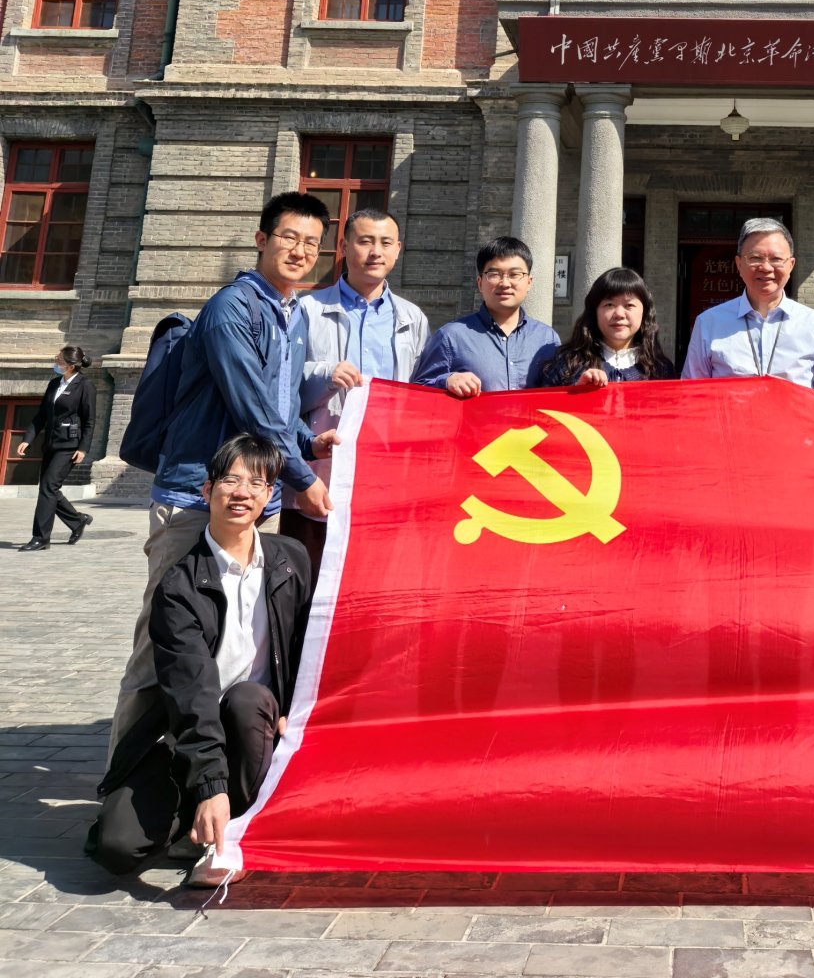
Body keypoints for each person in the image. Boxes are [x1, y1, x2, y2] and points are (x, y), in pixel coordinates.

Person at [106, 193, 336, 763]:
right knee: (162, 640)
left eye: (311, 243)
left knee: (239, 639)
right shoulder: (232, 307)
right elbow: (250, 405)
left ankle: (213, 773)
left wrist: (307, 442)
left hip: (257, 500)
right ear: (261, 240)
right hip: (196, 497)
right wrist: (304, 476)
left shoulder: (290, 314)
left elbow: (279, 407)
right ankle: (123, 777)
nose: (300, 251)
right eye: (289, 238)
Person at [89, 435, 313, 875]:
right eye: (230, 480)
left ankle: (235, 831)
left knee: (248, 699)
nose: (242, 492)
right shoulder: (180, 586)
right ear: (207, 490)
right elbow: (190, 693)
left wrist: (298, 709)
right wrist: (209, 784)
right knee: (118, 849)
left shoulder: (291, 560)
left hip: (255, 728)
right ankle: (199, 808)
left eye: (256, 482)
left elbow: (308, 647)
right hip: (189, 732)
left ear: (269, 496)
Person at [291, 207, 430, 577]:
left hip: (387, 471)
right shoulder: (308, 310)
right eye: (365, 241)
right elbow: (281, 388)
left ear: (398, 249)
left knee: (377, 576)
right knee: (310, 580)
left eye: (385, 243)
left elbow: (421, 390)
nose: (375, 252)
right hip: (321, 467)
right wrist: (326, 374)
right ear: (343, 246)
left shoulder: (412, 318)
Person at [681, 218, 814, 394]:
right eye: (755, 258)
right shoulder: (708, 323)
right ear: (739, 264)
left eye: (776, 259)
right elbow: (691, 392)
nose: (766, 267)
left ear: (791, 265)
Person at [413, 236, 558, 396]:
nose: (505, 283)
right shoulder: (451, 336)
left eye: (514, 274)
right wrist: (447, 380)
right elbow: (419, 389)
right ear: (480, 282)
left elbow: (560, 391)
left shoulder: (547, 338)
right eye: (494, 274)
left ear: (529, 282)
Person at [539, 267, 676, 387]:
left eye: (629, 305)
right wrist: (576, 393)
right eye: (609, 305)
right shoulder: (567, 365)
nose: (619, 314)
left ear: (644, 312)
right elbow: (544, 407)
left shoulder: (661, 370)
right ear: (594, 312)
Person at [16, 345, 96, 551]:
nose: (55, 363)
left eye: (59, 360)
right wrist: (27, 439)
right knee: (48, 488)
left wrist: (83, 448)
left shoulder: (85, 385)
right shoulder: (54, 384)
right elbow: (41, 415)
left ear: (71, 366)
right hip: (51, 443)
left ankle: (41, 538)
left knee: (48, 487)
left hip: (69, 446)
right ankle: (77, 520)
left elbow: (89, 420)